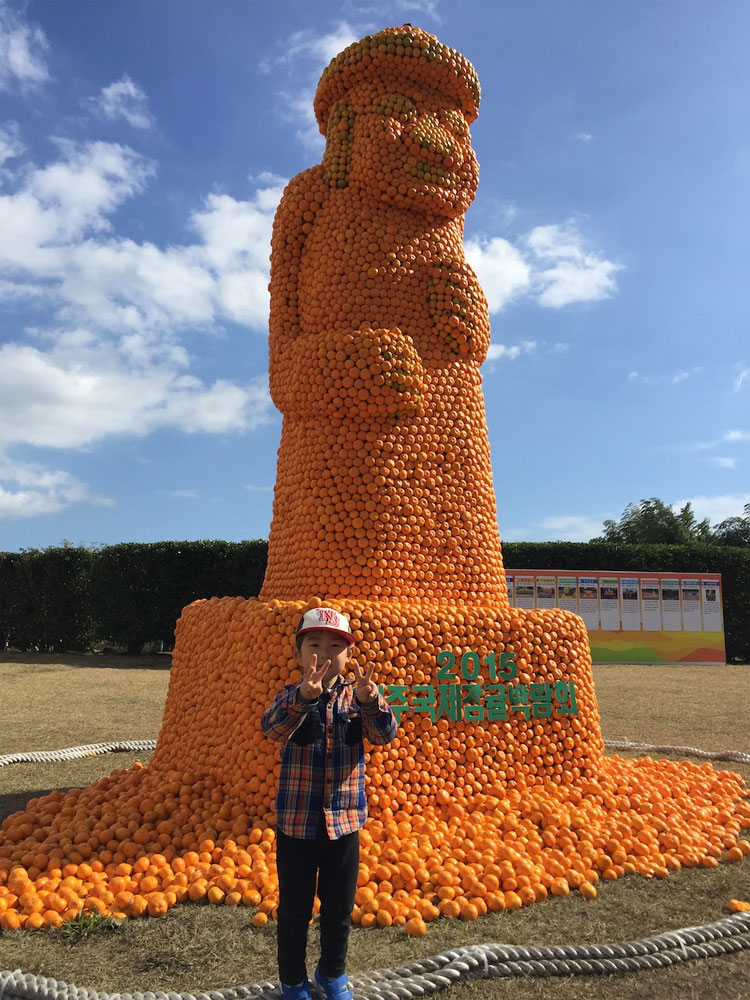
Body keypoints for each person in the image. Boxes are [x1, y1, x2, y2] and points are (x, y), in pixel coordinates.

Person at [261, 607, 398, 1000]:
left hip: (344, 822)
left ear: (349, 656)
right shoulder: (289, 696)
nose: (324, 652)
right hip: (297, 823)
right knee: (294, 910)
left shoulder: (358, 697)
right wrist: (304, 698)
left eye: (335, 645)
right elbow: (271, 728)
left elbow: (385, 735)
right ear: (298, 653)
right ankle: (292, 982)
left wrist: (372, 702)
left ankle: (331, 974)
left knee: (338, 909)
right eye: (314, 644)